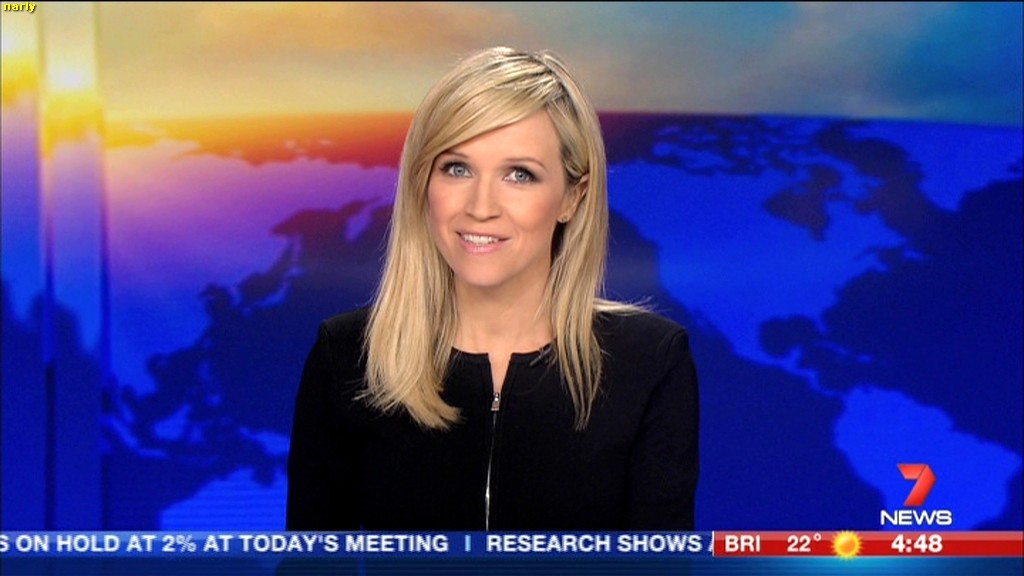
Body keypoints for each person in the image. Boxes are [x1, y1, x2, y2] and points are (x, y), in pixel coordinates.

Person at [286, 46, 699, 531]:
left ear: (573, 196)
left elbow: (657, 565)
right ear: (423, 182)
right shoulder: (347, 357)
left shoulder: (649, 363)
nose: (481, 207)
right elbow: (312, 563)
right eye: (457, 168)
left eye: (519, 175)